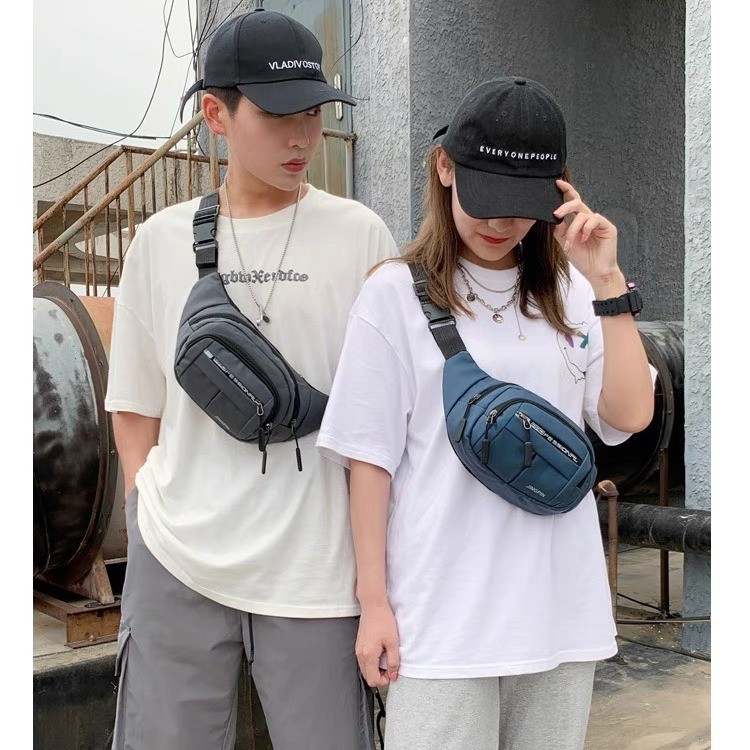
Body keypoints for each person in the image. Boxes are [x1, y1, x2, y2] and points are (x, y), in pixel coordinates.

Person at [316, 76, 656, 750]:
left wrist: (608, 283)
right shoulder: (394, 295)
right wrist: (373, 603)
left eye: (521, 206)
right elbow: (370, 461)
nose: (501, 223)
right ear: (444, 168)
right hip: (442, 620)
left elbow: (629, 416)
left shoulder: (573, 290)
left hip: (559, 611)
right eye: (487, 200)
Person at [104, 8, 398, 750]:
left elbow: (384, 413)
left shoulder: (361, 234)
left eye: (313, 113)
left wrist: (374, 583)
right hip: (177, 558)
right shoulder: (159, 241)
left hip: (315, 568)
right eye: (277, 116)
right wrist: (142, 507)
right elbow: (134, 401)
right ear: (216, 115)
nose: (303, 137)